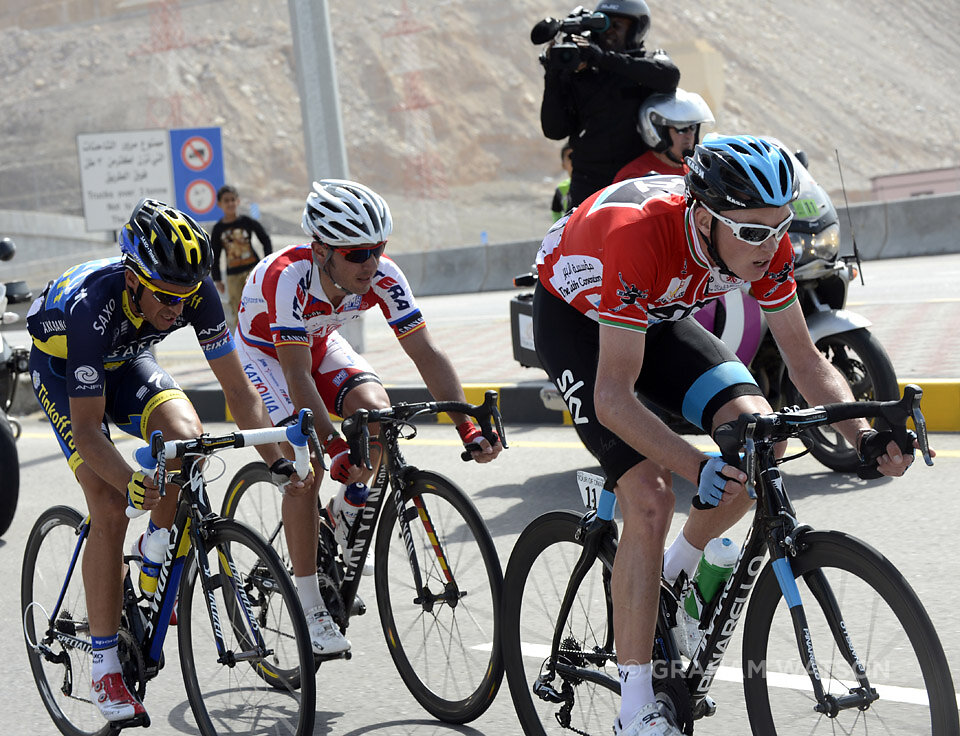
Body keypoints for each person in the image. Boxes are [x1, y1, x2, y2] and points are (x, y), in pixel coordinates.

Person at [532, 135, 920, 735]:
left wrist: (864, 438)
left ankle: (675, 575)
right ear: (705, 217)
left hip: (657, 314)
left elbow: (807, 362)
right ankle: (635, 710)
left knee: (755, 442)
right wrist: (694, 465)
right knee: (652, 494)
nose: (772, 246)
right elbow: (612, 397)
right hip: (579, 321)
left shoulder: (763, 243)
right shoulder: (640, 237)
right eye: (755, 232)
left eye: (781, 226)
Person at [26, 198, 308, 727]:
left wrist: (279, 463)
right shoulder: (93, 308)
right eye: (165, 297)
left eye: (186, 296)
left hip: (127, 359)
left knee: (188, 438)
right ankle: (105, 667)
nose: (178, 309)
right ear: (134, 279)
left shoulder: (194, 290)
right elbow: (88, 432)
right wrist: (131, 483)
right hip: (66, 370)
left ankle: (155, 549)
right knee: (109, 504)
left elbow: (240, 393)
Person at [234, 178, 503, 656]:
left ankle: (346, 509)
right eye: (357, 254)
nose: (371, 263)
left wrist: (467, 424)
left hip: (317, 343)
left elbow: (427, 353)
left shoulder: (383, 275)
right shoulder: (287, 276)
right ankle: (311, 604)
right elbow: (297, 378)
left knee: (378, 415)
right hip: (265, 356)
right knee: (305, 472)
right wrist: (334, 448)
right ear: (322, 251)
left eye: (378, 249)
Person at [538, 0, 680, 207]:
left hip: (636, 180)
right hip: (587, 183)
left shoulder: (645, 63)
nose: (609, 32)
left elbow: (669, 77)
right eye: (603, 25)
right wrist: (553, 76)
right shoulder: (581, 71)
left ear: (636, 30)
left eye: (617, 26)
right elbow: (554, 130)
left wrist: (603, 58)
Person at [613, 88, 714, 181]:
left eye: (692, 128)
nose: (689, 136)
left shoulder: (695, 171)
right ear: (659, 132)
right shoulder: (635, 176)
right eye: (681, 129)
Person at [209, 184, 273, 324]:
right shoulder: (218, 229)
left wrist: (267, 262)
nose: (230, 203)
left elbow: (265, 239)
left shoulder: (247, 222)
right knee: (239, 311)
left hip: (253, 271)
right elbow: (215, 255)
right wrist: (217, 279)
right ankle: (244, 342)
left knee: (261, 304)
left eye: (233, 199)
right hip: (233, 277)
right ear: (220, 204)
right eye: (226, 200)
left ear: (238, 201)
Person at [551, 143, 574, 222]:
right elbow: (556, 212)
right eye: (570, 157)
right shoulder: (561, 189)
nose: (574, 161)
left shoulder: (594, 185)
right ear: (563, 165)